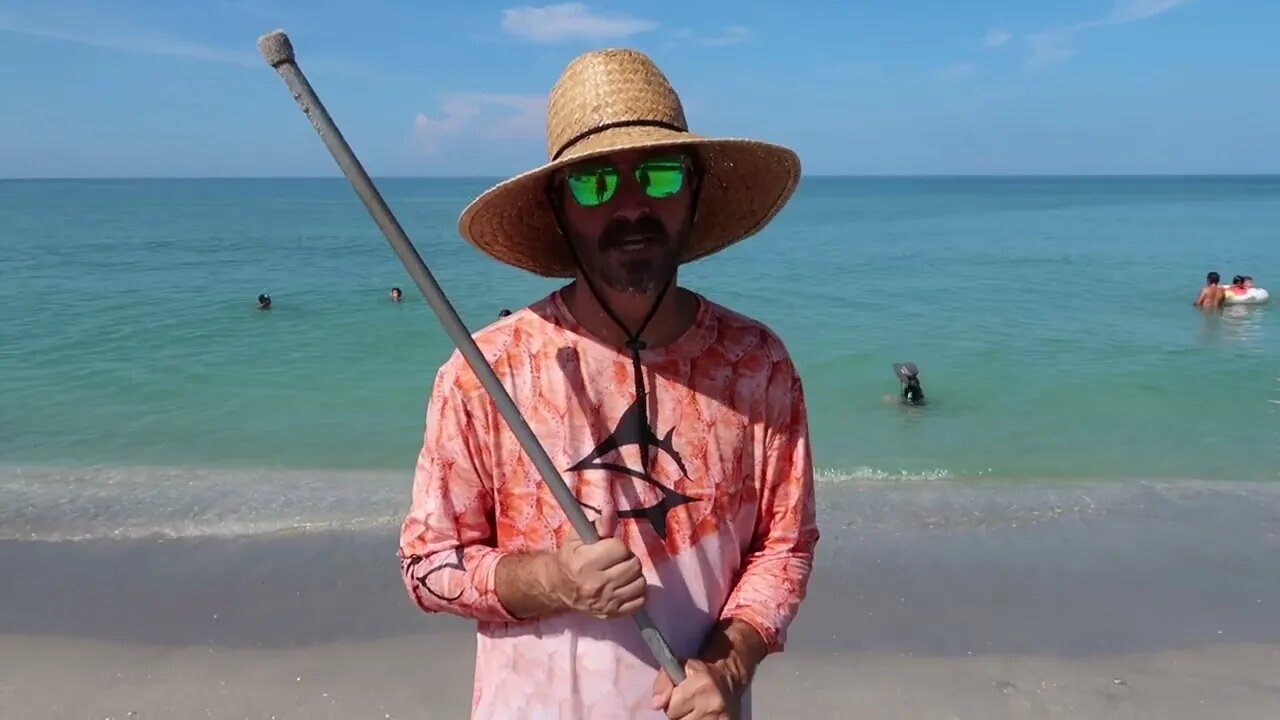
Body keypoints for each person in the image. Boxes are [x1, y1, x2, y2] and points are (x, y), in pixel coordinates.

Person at [397, 48, 817, 719]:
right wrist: (551, 580)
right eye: (594, 183)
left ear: (693, 189)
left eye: (657, 174)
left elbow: (783, 547)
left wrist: (729, 665)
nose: (631, 205)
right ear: (559, 208)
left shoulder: (756, 362)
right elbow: (427, 569)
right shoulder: (485, 373)